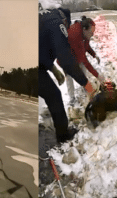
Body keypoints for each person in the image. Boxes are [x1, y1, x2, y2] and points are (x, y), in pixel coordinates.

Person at [39, 7, 96, 143]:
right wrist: (86, 84)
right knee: (54, 96)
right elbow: (66, 59)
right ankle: (63, 135)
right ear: (65, 21)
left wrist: (51, 67)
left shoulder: (46, 17)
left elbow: (41, 46)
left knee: (51, 94)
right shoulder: (58, 23)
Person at [56, 16, 105, 105]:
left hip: (75, 53)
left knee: (82, 69)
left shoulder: (84, 34)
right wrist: (98, 76)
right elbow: (84, 60)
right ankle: (72, 98)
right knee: (70, 75)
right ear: (85, 29)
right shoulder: (75, 35)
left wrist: (94, 55)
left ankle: (85, 87)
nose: (92, 35)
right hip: (64, 57)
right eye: (91, 33)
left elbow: (86, 46)